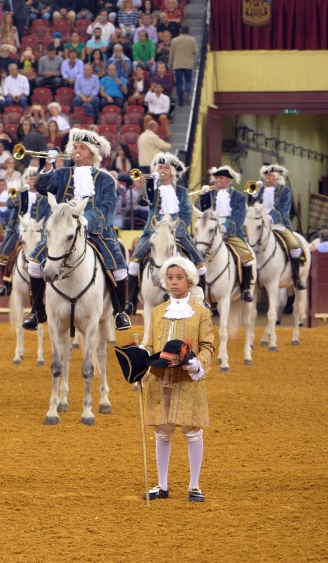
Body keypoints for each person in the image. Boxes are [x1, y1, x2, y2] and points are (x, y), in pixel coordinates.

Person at [23, 128, 133, 331]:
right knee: (34, 264)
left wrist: (84, 220)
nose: (77, 150)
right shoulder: (62, 174)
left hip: (97, 232)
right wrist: (48, 164)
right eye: (75, 147)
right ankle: (37, 310)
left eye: (82, 147)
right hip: (64, 234)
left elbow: (107, 210)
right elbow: (42, 187)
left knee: (118, 268)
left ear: (92, 152)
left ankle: (120, 312)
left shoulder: (106, 179)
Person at [140, 256, 214, 504]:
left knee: (192, 430)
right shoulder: (158, 312)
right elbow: (149, 344)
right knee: (163, 431)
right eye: (170, 278)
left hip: (187, 379)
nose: (174, 282)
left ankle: (194, 485)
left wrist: (197, 363)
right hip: (161, 379)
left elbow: (208, 347)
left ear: (190, 281)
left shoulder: (201, 314)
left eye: (179, 278)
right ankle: (162, 485)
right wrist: (138, 359)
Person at [126, 153, 207, 314]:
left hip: (177, 232)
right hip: (153, 231)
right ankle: (132, 301)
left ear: (172, 172)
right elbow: (143, 201)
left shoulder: (182, 191)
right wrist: (150, 181)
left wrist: (177, 231)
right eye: (160, 167)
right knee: (134, 263)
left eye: (166, 168)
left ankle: (203, 301)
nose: (163, 170)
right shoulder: (153, 190)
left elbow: (186, 214)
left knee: (200, 264)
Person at [196, 166, 256, 302]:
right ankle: (195, 286)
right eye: (216, 178)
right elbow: (200, 211)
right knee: (193, 254)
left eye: (221, 178)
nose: (218, 180)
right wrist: (202, 196)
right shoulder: (209, 193)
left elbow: (239, 217)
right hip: (209, 234)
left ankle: (245, 288)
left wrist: (224, 227)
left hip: (232, 233)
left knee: (247, 257)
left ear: (228, 180)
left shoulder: (239, 197)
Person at [0, 166, 50, 296]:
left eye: (35, 177)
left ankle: (48, 284)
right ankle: (6, 284)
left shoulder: (45, 196)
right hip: (18, 228)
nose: (32, 179)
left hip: (38, 230)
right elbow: (9, 204)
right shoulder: (21, 193)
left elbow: (47, 214)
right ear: (26, 180)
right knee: (3, 254)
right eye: (29, 177)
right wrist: (18, 192)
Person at [254, 164, 306, 290]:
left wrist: (269, 218)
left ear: (275, 177)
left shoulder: (285, 190)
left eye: (269, 175)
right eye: (265, 175)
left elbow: (283, 210)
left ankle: (296, 277)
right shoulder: (260, 189)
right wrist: (253, 192)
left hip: (279, 225)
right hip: (260, 226)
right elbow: (251, 205)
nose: (266, 177)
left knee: (294, 245)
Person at [169, 26, 198, 107]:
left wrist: (170, 64)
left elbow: (171, 53)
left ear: (180, 31)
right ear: (188, 31)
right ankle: (187, 92)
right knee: (188, 81)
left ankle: (181, 101)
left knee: (179, 83)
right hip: (188, 64)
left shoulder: (174, 40)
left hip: (177, 64)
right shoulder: (192, 40)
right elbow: (196, 51)